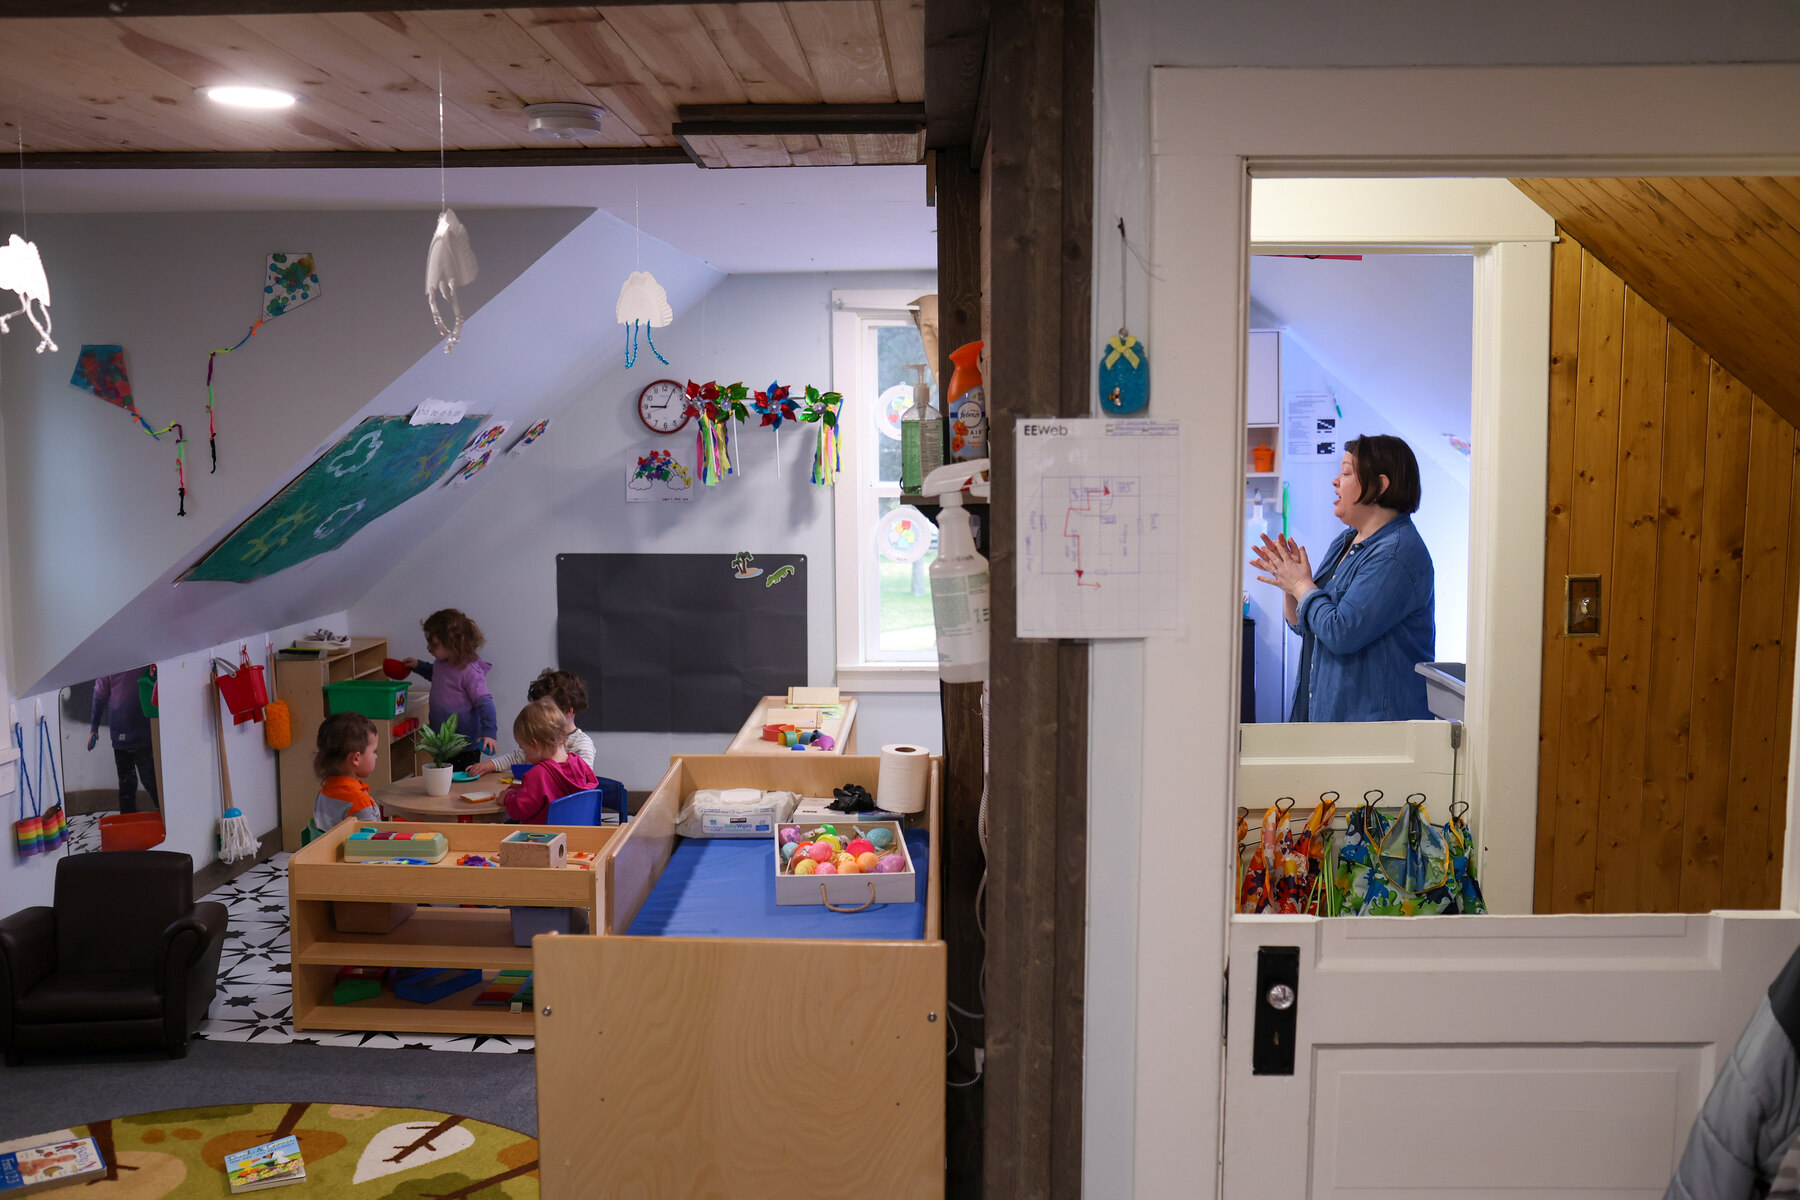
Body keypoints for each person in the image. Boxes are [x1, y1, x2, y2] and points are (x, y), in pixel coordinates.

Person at [1250, 433, 1435, 722]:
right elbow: (1307, 627)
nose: (1335, 482)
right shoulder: (1346, 540)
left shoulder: (1397, 555)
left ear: (1380, 486)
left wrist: (1302, 585)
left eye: (1346, 473)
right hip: (1328, 726)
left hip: (1371, 738)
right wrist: (1290, 582)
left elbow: (1341, 632)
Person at [402, 608, 496, 772]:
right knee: (443, 780)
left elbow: (485, 702)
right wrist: (418, 666)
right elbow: (437, 676)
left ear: (453, 642)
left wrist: (489, 732)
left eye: (434, 643)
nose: (428, 648)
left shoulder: (469, 671)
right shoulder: (441, 663)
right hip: (441, 742)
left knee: (461, 783)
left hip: (464, 745)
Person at [470, 668, 596, 775]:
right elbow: (518, 757)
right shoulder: (541, 735)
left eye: (545, 710)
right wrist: (488, 765)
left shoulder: (582, 744)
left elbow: (583, 780)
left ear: (568, 711)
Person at [503, 698, 599, 824]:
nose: (524, 753)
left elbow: (519, 811)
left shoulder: (538, 775)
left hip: (543, 839)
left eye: (523, 748)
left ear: (534, 744)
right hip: (577, 835)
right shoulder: (579, 763)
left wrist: (508, 797)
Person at [87, 667, 157, 813]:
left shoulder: (142, 661)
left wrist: (94, 727)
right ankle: (128, 822)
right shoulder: (110, 665)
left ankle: (164, 813)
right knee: (127, 785)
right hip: (121, 737)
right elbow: (99, 695)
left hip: (142, 734)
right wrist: (94, 728)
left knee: (149, 781)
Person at [305, 711, 381, 841]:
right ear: (356, 758)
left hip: (328, 856)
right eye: (374, 751)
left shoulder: (324, 793)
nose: (376, 756)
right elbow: (374, 843)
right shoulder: (360, 803)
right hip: (355, 859)